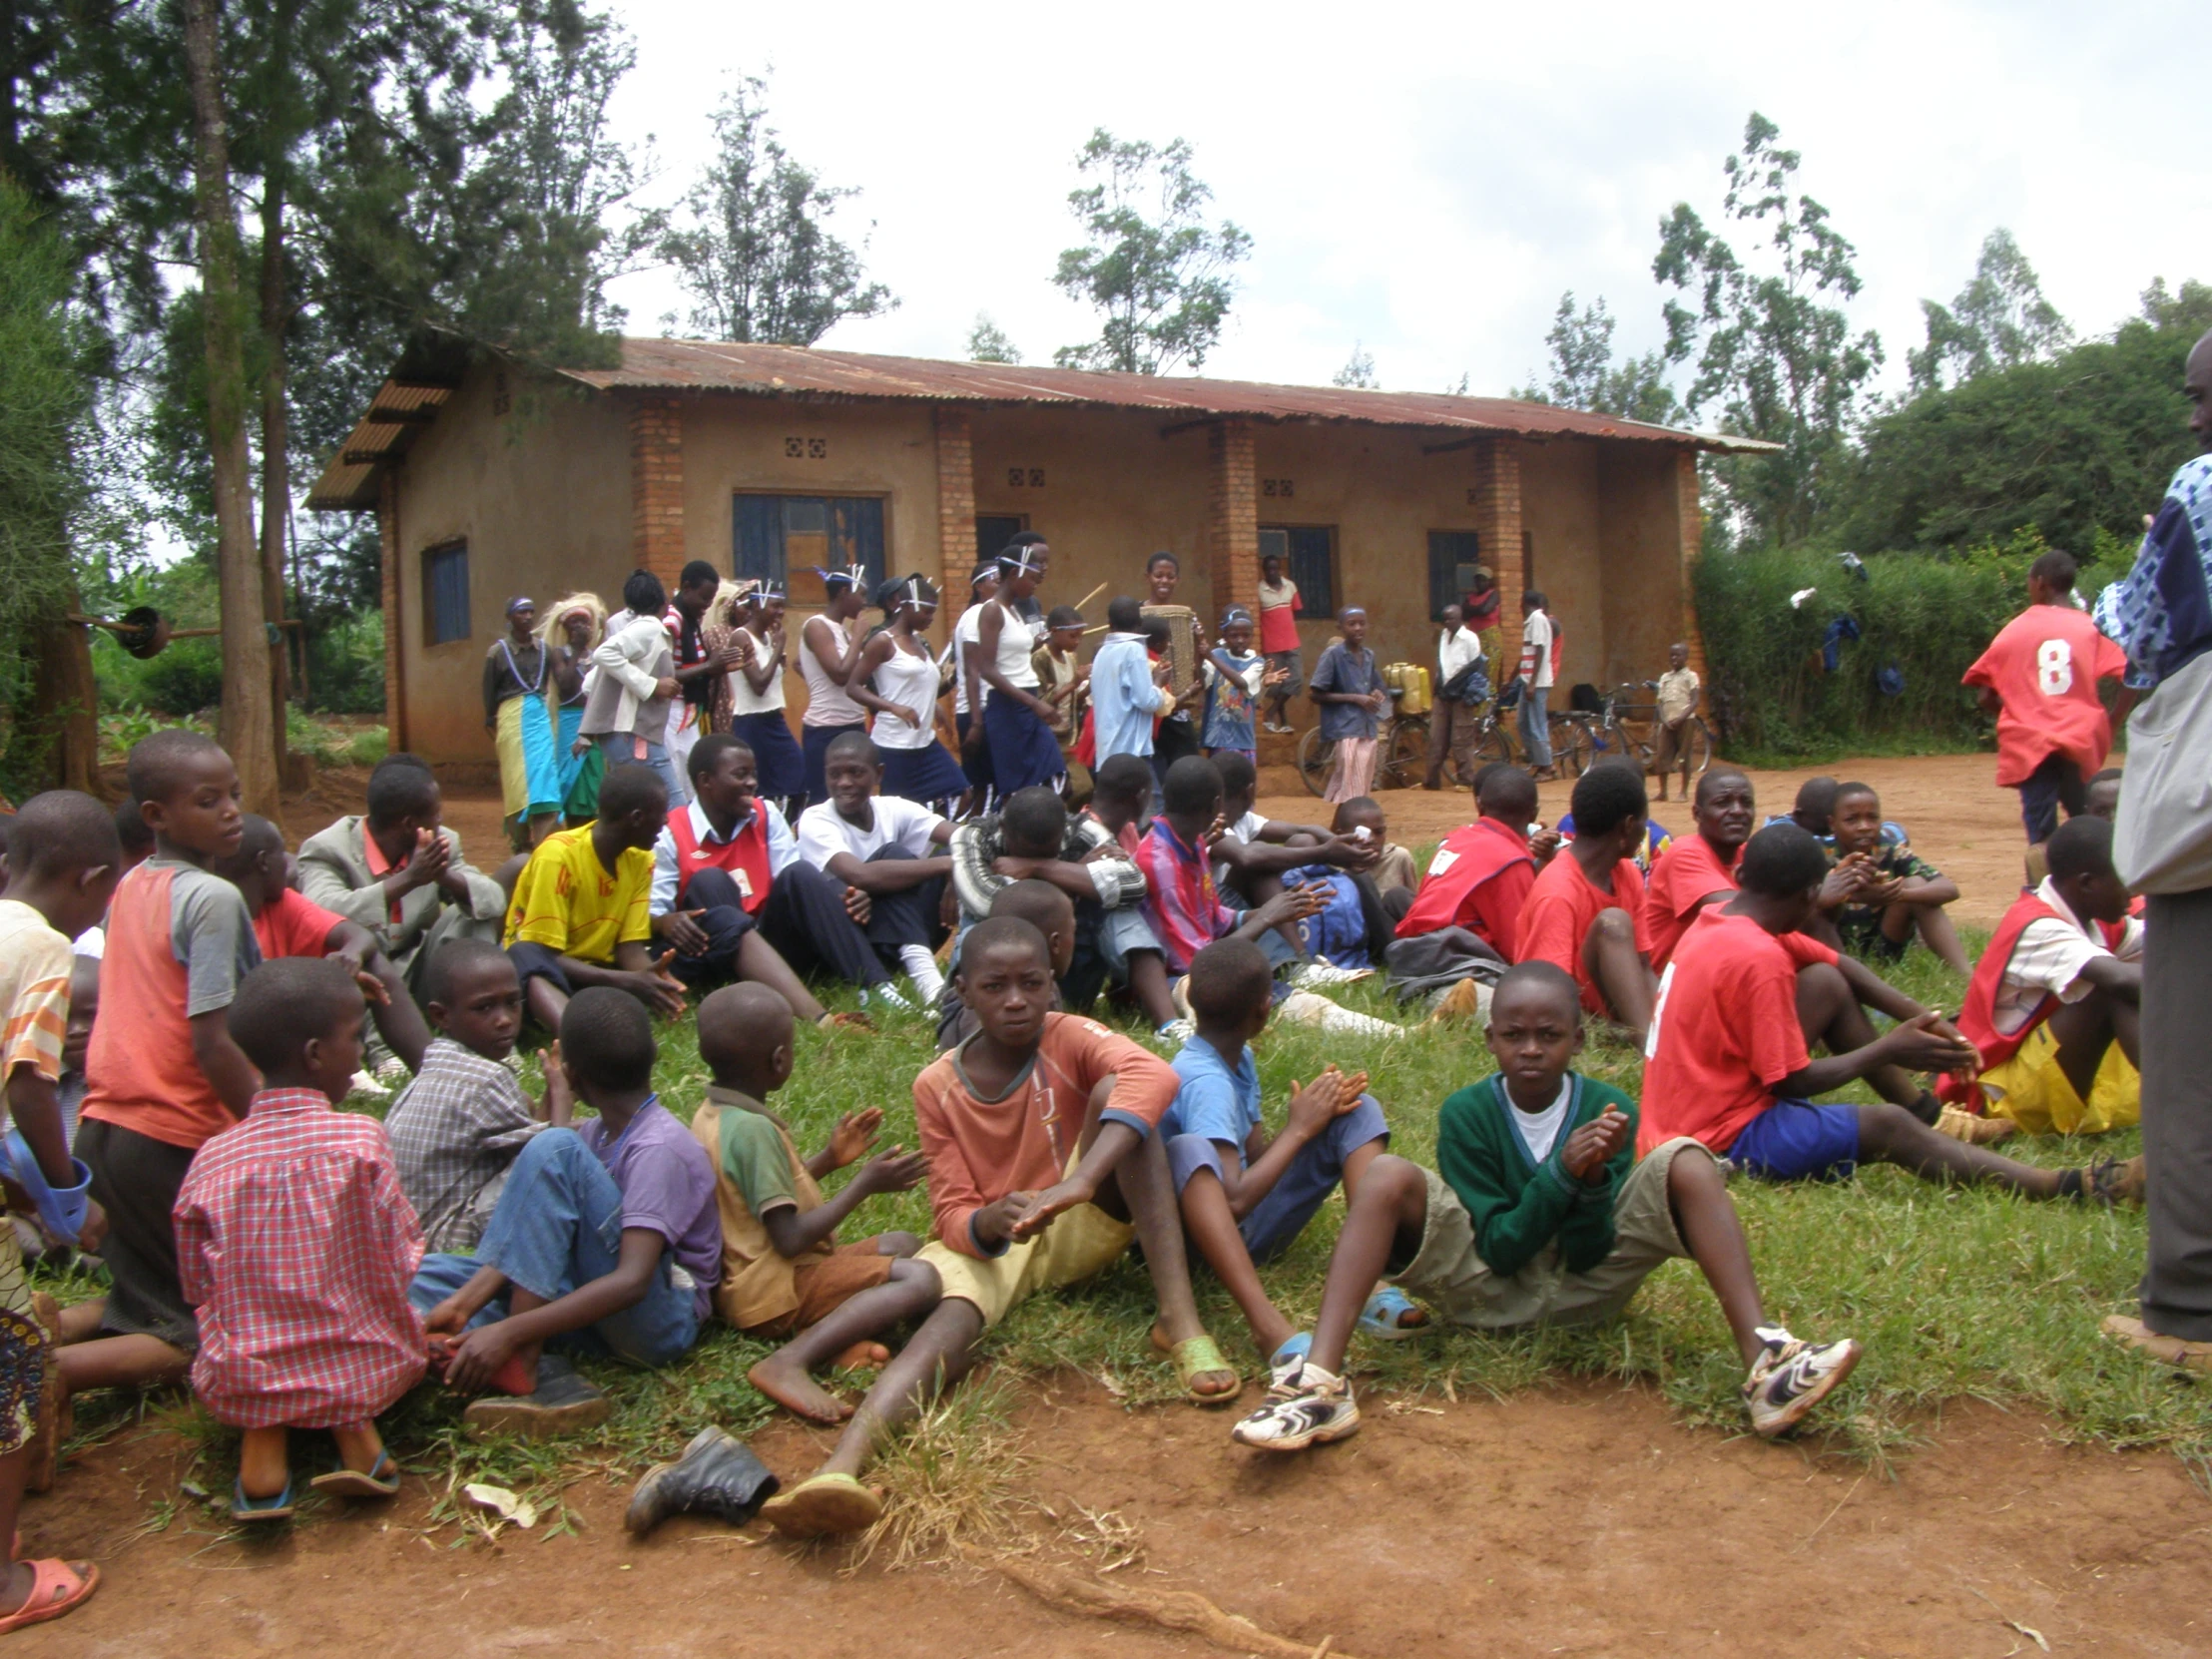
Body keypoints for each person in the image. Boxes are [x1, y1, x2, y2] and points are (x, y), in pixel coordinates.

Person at [1231, 962, 1862, 1452]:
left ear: (1578, 1040)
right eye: (1514, 1035)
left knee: (1690, 1160)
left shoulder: (1606, 1107)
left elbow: (1591, 1248)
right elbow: (1502, 1249)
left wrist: (1589, 1180)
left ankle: (1766, 1365)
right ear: (1489, 1040)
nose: (1530, 1049)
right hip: (1487, 1293)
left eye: (1549, 1035)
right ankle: (1321, 1383)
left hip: (1591, 1286)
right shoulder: (1468, 1115)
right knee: (1386, 1177)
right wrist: (1564, 1171)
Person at [758, 918, 1234, 1538]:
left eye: (1032, 983)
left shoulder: (1069, 1036)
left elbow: (1157, 1077)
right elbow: (951, 1211)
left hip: (1081, 1215)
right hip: (1001, 1245)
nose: (1016, 1000)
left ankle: (1180, 1321)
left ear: (1053, 984)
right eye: (996, 985)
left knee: (1125, 1099)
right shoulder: (937, 1085)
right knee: (948, 1324)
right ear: (962, 990)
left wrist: (1081, 1179)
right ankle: (841, 1470)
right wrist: (986, 1220)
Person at [1641, 824, 2140, 1203]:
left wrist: (1929, 1019)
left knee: (1827, 982)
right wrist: (1890, 1047)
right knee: (1886, 1128)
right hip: (1717, 1142)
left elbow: (1844, 966)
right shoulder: (1759, 958)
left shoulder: (1721, 920)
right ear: (1812, 897)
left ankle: (1931, 1116)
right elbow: (1791, 1083)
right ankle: (2071, 1185)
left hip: (1680, 1120)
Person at [177, 958, 426, 1521]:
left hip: (248, 1367)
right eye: (355, 1041)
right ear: (316, 1055)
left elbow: (196, 1284)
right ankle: (356, 1435)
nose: (361, 1053)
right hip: (365, 1356)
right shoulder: (361, 1139)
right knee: (353, 1334)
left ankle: (262, 1455)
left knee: (252, 1340)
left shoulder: (213, 1158)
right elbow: (403, 1252)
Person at [413, 987, 721, 1437]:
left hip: (659, 1323)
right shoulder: (599, 1132)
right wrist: (467, 1296)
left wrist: (513, 1332)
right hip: (592, 1305)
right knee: (430, 1272)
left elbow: (632, 1281)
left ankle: (520, 1354)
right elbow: (540, 1214)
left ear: (572, 1076)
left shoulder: (660, 1148)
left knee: (555, 1146)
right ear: (653, 1054)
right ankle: (444, 1327)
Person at [2091, 325, 2212, 1370]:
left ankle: (2188, 1307)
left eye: (2200, 397)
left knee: (2187, 1063)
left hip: (2203, 818)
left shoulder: (2199, 490)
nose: (2191, 416)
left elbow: (2138, 638)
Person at [686, 984, 938, 1423]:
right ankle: (790, 1360)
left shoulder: (714, 1114)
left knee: (902, 1242)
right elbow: (789, 1238)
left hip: (762, 1279)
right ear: (779, 1059)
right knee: (921, 1280)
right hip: (777, 1287)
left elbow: (760, 1197)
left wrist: (829, 1160)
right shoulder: (751, 1131)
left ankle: (831, 1342)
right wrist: (863, 1184)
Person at [1165, 938, 1395, 1374]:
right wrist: (1299, 1128)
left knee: (1357, 1111)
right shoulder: (1205, 1082)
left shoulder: (1237, 1056)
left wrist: (1317, 1119)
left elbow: (1255, 1156)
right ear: (1264, 1009)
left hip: (1247, 1216)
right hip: (1214, 1242)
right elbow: (1232, 1201)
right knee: (1209, 1150)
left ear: (1190, 998)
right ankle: (1269, 1327)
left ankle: (1373, 1280)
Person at [0, 792, 117, 1625]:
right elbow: (29, 1083)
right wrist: (66, 1193)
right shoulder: (41, 947)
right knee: (15, 1364)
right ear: (93, 882)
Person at [1939, 813, 2142, 1144]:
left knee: (2161, 969)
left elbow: (2164, 947)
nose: (2133, 893)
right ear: (2087, 883)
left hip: (2045, 1068)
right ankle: (2181, 1103)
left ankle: (2183, 1094)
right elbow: (2123, 981)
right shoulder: (2037, 927)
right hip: (1995, 1093)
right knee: (2113, 990)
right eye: (2124, 880)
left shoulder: (2095, 915)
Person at [641, 734, 848, 1029]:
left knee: (801, 872)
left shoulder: (765, 814)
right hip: (711, 948)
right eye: (741, 775)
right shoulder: (672, 831)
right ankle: (807, 1013)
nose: (752, 783)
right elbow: (652, 914)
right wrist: (664, 922)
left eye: (753, 774)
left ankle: (873, 983)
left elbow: (791, 884)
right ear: (705, 781)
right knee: (710, 881)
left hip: (770, 939)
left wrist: (838, 896)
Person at [211, 814, 431, 1076]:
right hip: (244, 1043)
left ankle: (431, 1071)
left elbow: (358, 934)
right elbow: (254, 986)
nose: (291, 863)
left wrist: (350, 955)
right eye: (282, 854)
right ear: (263, 863)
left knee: (372, 962)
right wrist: (323, 978)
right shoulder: (215, 918)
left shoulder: (281, 903)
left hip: (287, 1023)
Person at [385, 939, 568, 1254]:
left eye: (513, 1002)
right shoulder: (486, 1078)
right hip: (438, 1240)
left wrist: (552, 1094)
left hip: (403, 1234)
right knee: (577, 1150)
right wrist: (564, 1095)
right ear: (441, 1016)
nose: (504, 1019)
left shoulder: (438, 1063)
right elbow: (550, 1156)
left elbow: (530, 1137)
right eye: (484, 1008)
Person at [297, 754, 510, 1016]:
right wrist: (409, 879)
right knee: (361, 929)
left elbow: (494, 900)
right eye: (436, 813)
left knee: (473, 912)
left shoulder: (439, 843)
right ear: (410, 824)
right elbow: (318, 913)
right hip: (360, 982)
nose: (441, 820)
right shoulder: (327, 848)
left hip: (419, 975)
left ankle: (476, 1016)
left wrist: (444, 876)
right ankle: (379, 1047)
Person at [503, 762, 688, 1034]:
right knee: (526, 955)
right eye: (661, 813)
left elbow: (630, 947)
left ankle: (591, 1013)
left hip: (596, 971)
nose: (666, 821)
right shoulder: (558, 857)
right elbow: (545, 953)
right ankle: (575, 1036)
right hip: (545, 971)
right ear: (636, 818)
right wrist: (627, 981)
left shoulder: (641, 859)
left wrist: (652, 981)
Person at [1964, 548, 2131, 847]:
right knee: (2088, 821)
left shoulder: (2013, 631)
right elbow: (2132, 676)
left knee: (2040, 834)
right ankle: (2095, 883)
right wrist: (2112, 721)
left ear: (2040, 583)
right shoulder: (2090, 628)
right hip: (2080, 737)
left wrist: (2017, 714)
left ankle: (2041, 890)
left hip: (2032, 743)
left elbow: (1985, 696)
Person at [947, 785, 1152, 1020]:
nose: (1036, 860)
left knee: (1120, 911)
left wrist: (1038, 868)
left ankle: (1168, 1022)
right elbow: (987, 903)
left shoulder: (1082, 829)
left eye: (1048, 854)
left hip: (1069, 972)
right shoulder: (973, 836)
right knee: (978, 924)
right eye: (1026, 855)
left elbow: (1134, 883)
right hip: (1003, 983)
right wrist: (1076, 876)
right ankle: (962, 1018)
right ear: (1004, 830)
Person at [794, 733, 954, 1012]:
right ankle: (930, 985)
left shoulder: (893, 808)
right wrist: (949, 864)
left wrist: (956, 863)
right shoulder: (815, 819)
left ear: (878, 774)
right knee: (899, 857)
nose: (844, 783)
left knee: (947, 855)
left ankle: (939, 967)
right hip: (846, 937)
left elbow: (963, 836)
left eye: (856, 773)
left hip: (891, 928)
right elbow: (858, 876)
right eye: (835, 774)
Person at [1139, 757, 1324, 988]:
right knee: (1274, 993)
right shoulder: (1161, 865)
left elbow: (1217, 920)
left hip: (1205, 958)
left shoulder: (1193, 841)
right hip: (1183, 981)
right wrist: (1266, 917)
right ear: (1216, 805)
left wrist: (1274, 910)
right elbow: (1198, 965)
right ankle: (1294, 973)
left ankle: (1296, 969)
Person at [1515, 764, 1656, 1040]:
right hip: (1571, 1018)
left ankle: (1650, 1039)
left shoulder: (1626, 873)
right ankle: (1648, 1049)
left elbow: (1644, 967)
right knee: (1612, 924)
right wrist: (1635, 1035)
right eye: (1644, 822)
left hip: (1623, 1014)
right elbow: (1549, 1002)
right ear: (1628, 826)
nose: (1645, 830)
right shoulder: (1558, 891)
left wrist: (1664, 1021)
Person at [1812, 782, 1970, 973]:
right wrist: (1851, 894)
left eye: (1872, 818)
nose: (1864, 827)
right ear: (1832, 824)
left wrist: (1895, 894)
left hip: (1883, 949)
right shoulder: (1817, 853)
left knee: (1915, 883)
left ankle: (1967, 977)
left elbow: (1949, 889)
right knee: (1813, 895)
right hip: (1830, 946)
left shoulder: (1889, 850)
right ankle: (1841, 968)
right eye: (1852, 820)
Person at [1394, 764, 1543, 956]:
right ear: (1534, 814)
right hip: (1449, 960)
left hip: (1412, 947)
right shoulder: (1512, 862)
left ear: (1479, 805)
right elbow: (1519, 949)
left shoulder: (1454, 839)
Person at [849, 575, 968, 813]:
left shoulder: (920, 643)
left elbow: (918, 684)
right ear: (907, 606)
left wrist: (935, 706)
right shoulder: (882, 641)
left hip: (925, 743)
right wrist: (893, 707)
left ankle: (931, 847)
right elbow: (852, 687)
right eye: (926, 611)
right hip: (894, 746)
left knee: (961, 791)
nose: (930, 618)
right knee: (896, 814)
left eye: (933, 612)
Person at [582, 569, 688, 808]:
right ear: (664, 603)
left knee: (637, 808)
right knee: (675, 809)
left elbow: (589, 683)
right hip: (636, 737)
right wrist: (651, 685)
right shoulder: (649, 629)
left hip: (621, 737)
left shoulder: (638, 630)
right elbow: (603, 654)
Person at [972, 536, 1066, 796]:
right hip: (1008, 707)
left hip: (1027, 703)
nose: (1036, 584)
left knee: (1056, 775)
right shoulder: (992, 611)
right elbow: (987, 669)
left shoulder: (1015, 611)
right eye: (1033, 578)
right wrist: (1035, 703)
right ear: (1014, 573)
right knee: (1017, 789)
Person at [1642, 768, 1755, 972]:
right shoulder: (1685, 853)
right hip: (1666, 982)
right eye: (1723, 803)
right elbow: (1740, 916)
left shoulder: (1749, 854)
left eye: (1746, 803)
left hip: (1712, 969)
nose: (1738, 811)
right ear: (1697, 814)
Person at [484, 596, 563, 848]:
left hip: (538, 720)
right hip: (511, 721)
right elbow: (489, 695)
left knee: (545, 780)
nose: (528, 617)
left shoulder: (545, 651)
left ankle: (545, 842)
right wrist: (492, 722)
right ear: (509, 618)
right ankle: (519, 843)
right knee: (517, 784)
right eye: (521, 612)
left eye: (531, 612)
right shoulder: (497, 653)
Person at [725, 580, 808, 817]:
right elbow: (759, 684)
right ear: (757, 606)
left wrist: (775, 652)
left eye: (782, 606)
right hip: (752, 723)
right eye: (775, 606)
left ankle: (781, 827)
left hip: (772, 718)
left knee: (796, 776)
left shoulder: (768, 638)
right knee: (758, 787)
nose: (780, 612)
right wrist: (779, 647)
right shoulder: (741, 637)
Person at [799, 565, 872, 809]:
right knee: (825, 804)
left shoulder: (843, 632)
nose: (864, 602)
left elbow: (801, 663)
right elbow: (840, 674)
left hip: (853, 724)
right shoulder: (817, 626)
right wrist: (859, 636)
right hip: (825, 728)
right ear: (843, 592)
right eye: (860, 594)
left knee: (856, 800)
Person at [665, 561, 744, 784]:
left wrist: (721, 668)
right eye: (704, 598)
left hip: (688, 711)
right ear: (686, 588)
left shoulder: (690, 620)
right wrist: (709, 666)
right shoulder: (673, 621)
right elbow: (665, 673)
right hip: (673, 711)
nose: (707, 605)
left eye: (711, 600)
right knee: (682, 779)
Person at [1309, 605, 1387, 804]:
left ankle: (1347, 824)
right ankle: (1351, 825)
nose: (1358, 628)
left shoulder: (1369, 656)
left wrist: (1377, 693)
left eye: (1362, 623)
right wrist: (1354, 698)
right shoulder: (1333, 655)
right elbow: (1316, 694)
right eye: (1352, 624)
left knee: (1359, 786)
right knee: (1349, 786)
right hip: (1345, 728)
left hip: (1367, 727)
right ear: (1341, 628)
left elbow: (1377, 686)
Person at [539, 594, 607, 824]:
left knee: (594, 779)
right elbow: (565, 685)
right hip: (571, 722)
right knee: (572, 779)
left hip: (594, 724)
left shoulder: (598, 655)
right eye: (574, 623)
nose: (580, 627)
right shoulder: (560, 653)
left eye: (584, 622)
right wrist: (576, 650)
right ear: (565, 628)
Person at [1141, 551, 1206, 777]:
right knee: (1154, 775)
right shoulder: (1137, 616)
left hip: (1180, 709)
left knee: (1187, 772)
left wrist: (1199, 643)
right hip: (1149, 709)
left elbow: (1195, 664)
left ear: (1177, 579)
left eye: (1170, 576)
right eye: (1159, 575)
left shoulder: (1188, 617)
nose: (1164, 581)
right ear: (1148, 576)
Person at [1089, 595, 1170, 766]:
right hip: (1131, 750)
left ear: (1109, 623)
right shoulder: (1134, 649)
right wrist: (1158, 682)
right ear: (1140, 623)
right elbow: (1147, 702)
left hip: (1106, 751)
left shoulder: (1102, 652)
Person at [949, 562, 1001, 806]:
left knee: (994, 786)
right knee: (978, 790)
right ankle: (962, 832)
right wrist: (977, 722)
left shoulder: (996, 613)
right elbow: (973, 671)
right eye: (994, 578)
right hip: (977, 711)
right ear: (979, 586)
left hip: (989, 711)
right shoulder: (975, 615)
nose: (1000, 581)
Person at [1425, 602, 1487, 790]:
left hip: (1462, 694)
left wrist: (1470, 693)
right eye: (1444, 618)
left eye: (1451, 618)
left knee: (1461, 739)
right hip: (1443, 694)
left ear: (1460, 619)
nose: (1447, 622)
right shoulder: (1443, 636)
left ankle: (1466, 780)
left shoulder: (1469, 638)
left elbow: (1477, 667)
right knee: (1436, 738)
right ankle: (1431, 781)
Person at [1201, 607, 1266, 763]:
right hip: (1219, 737)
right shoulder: (1216, 654)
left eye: (1246, 635)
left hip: (1244, 737)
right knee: (1222, 782)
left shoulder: (1257, 662)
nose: (1240, 640)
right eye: (1234, 636)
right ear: (1224, 636)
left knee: (1246, 781)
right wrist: (1201, 654)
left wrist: (1210, 657)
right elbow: (1202, 681)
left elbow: (1241, 683)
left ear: (1252, 636)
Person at [1256, 548, 1304, 734]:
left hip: (1292, 643)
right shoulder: (1259, 591)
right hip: (1272, 645)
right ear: (1264, 570)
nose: (1272, 572)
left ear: (1280, 569)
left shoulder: (1290, 586)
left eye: (1275, 568)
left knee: (1296, 679)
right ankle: (1283, 721)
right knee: (1276, 684)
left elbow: (1296, 610)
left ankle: (1271, 713)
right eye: (1268, 569)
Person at [1032, 602, 1089, 756]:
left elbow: (1074, 700)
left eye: (1080, 637)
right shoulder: (1041, 657)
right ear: (1055, 631)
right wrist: (1073, 684)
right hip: (1047, 736)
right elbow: (1040, 702)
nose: (1077, 641)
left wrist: (1089, 685)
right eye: (1073, 636)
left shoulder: (1070, 658)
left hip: (1069, 736)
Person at [1649, 642, 1701, 804]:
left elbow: (1694, 701)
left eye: (1678, 655)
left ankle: (1683, 792)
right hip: (1667, 722)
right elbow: (1660, 702)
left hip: (1685, 721)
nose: (1674, 658)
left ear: (1685, 657)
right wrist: (1664, 719)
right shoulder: (1665, 677)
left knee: (1684, 756)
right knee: (1662, 756)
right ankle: (1663, 792)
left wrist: (1681, 717)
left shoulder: (1691, 676)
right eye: (1671, 655)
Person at [1515, 590, 1558, 780]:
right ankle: (1540, 761)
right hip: (1527, 681)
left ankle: (1546, 767)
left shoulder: (1537, 619)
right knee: (1522, 722)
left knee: (1536, 724)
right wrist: (1512, 679)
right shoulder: (1531, 621)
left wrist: (1532, 683)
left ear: (1523, 604)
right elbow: (1528, 655)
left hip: (1537, 683)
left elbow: (1540, 650)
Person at [1462, 564, 1503, 683]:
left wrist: (1471, 609)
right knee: (1474, 671)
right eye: (1478, 580)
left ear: (1489, 581)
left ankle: (1488, 699)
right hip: (1474, 637)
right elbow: (1464, 614)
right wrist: (1477, 609)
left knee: (1489, 673)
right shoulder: (1470, 597)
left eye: (1483, 580)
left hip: (1490, 638)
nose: (1480, 583)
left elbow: (1485, 610)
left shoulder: (1493, 594)